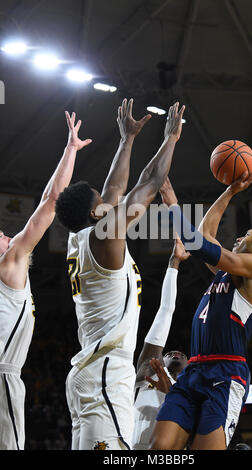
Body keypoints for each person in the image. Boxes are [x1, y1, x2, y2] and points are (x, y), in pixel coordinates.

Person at [55, 99, 185, 450]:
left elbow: (114, 189)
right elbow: (151, 182)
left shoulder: (80, 238)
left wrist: (127, 139)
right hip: (105, 375)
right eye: (102, 203)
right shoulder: (104, 236)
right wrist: (170, 137)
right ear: (97, 214)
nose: (109, 200)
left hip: (92, 373)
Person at [149, 173, 252, 450]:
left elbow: (196, 243)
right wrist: (230, 191)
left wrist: (173, 205)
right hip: (195, 370)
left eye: (247, 235)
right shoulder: (229, 274)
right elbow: (204, 237)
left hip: (226, 373)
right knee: (160, 449)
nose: (239, 236)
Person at [0, 111, 92, 450]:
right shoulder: (10, 262)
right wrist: (70, 150)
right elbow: (51, 201)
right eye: (2, 234)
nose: (6, 234)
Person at [132, 236, 189, 450]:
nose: (176, 353)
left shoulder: (191, 392)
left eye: (182, 355)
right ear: (159, 360)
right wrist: (173, 264)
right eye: (170, 353)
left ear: (189, 366)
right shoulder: (148, 371)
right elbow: (166, 310)